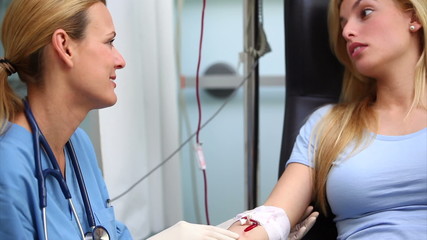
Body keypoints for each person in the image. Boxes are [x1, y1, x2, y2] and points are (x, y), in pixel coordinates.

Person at [0, 0, 244, 239]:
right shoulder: (8, 168)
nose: (120, 60)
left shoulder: (77, 145)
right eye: (109, 42)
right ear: (65, 46)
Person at [227, 0, 427, 239]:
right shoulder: (328, 125)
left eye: (365, 12)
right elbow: (273, 216)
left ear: (413, 17)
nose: (346, 32)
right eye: (343, 23)